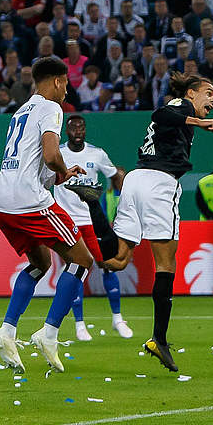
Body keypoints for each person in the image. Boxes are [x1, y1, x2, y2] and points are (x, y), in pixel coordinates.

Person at [98, 73, 213, 372]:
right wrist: (199, 122)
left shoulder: (182, 111)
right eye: (208, 93)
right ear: (192, 93)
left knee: (118, 260)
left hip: (134, 179)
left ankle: (85, 232)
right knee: (166, 265)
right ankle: (159, 338)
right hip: (158, 184)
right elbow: (162, 112)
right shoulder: (181, 105)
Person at [0, 57, 98, 374]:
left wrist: (62, 175)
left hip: (2, 200)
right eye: (65, 83)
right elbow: (51, 156)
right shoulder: (51, 108)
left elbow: (32, 164)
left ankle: (7, 331)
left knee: (41, 263)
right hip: (28, 201)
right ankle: (48, 334)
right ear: (57, 81)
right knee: (82, 260)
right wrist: (67, 173)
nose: (66, 90)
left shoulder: (20, 111)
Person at [51, 114, 131, 342]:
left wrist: (123, 203)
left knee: (107, 266)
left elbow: (116, 176)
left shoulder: (97, 154)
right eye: (73, 128)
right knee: (76, 270)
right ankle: (79, 325)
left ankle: (117, 319)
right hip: (67, 221)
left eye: (81, 127)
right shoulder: (59, 154)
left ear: (85, 130)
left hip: (92, 220)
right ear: (67, 132)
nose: (78, 131)